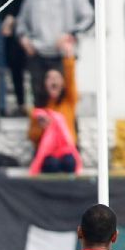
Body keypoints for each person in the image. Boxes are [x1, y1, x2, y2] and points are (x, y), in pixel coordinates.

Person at [16, 0, 92, 106]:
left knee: (67, 100)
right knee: (39, 103)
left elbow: (89, 18)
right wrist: (23, 38)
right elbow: (21, 22)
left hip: (63, 55)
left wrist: (71, 35)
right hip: (37, 53)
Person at [28, 37, 79, 175]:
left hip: (66, 150)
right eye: (49, 78)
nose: (53, 81)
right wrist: (41, 127)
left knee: (69, 162)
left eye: (57, 78)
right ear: (44, 84)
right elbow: (32, 137)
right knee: (52, 164)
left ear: (62, 83)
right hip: (47, 152)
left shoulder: (68, 102)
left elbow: (71, 80)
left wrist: (69, 58)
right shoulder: (39, 109)